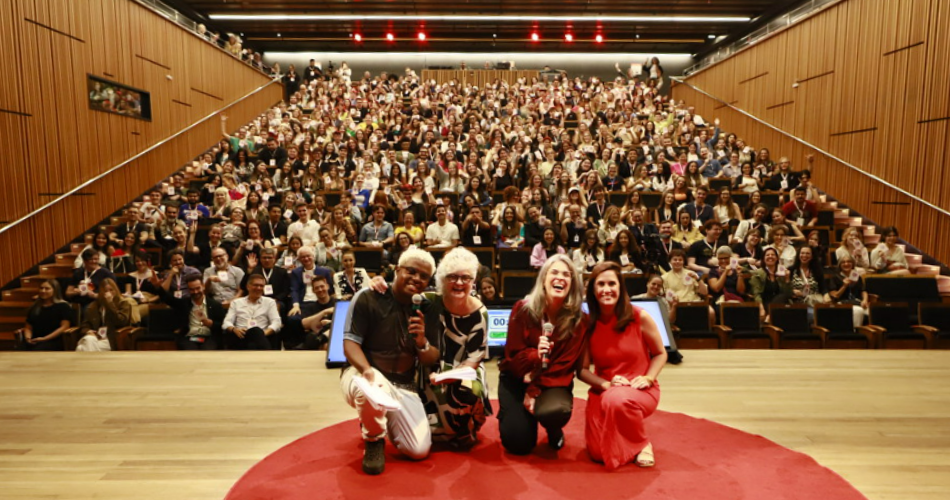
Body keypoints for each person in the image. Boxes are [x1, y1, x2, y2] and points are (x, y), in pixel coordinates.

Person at [340, 248, 441, 475]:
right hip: (362, 376)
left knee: (418, 450)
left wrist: (422, 342)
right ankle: (374, 439)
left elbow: (431, 357)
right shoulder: (368, 296)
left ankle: (376, 416)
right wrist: (366, 370)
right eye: (411, 271)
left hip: (403, 384)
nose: (417, 279)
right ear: (397, 270)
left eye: (424, 276)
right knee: (372, 389)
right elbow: (349, 343)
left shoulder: (427, 308)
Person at [578, 262, 667, 470]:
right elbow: (581, 371)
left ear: (620, 288)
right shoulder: (587, 323)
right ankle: (626, 435)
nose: (606, 289)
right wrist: (606, 384)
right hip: (604, 390)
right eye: (600, 284)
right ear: (593, 290)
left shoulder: (640, 316)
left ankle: (642, 442)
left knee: (617, 400)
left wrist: (648, 378)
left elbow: (660, 353)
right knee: (598, 452)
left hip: (640, 389)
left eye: (611, 284)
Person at [498, 254, 587, 455]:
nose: (560, 278)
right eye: (554, 272)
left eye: (567, 274)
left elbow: (564, 366)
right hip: (517, 378)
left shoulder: (578, 320)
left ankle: (553, 428)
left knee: (554, 411)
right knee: (518, 444)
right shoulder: (523, 310)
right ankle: (516, 416)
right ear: (544, 279)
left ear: (572, 283)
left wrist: (534, 390)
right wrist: (534, 356)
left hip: (552, 381)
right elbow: (512, 357)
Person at [152, 273, 226, 350]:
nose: (195, 292)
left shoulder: (215, 305)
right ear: (188, 289)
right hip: (190, 338)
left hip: (209, 338)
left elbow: (223, 325)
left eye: (198, 288)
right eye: (192, 289)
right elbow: (168, 299)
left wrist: (212, 324)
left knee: (207, 350)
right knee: (189, 351)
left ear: (203, 286)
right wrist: (158, 287)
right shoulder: (184, 303)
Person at [223, 274, 282, 350]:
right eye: (256, 285)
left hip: (263, 335)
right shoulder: (236, 303)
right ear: (248, 286)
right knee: (254, 333)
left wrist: (263, 334)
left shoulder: (270, 302)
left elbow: (277, 322)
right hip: (241, 336)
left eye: (261, 286)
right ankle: (268, 356)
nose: (259, 288)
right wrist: (234, 329)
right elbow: (226, 322)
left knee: (256, 331)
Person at [76, 278, 134, 352]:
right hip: (96, 338)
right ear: (100, 292)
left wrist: (110, 304)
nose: (108, 293)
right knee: (89, 339)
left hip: (111, 340)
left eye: (111, 290)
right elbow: (84, 326)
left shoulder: (123, 304)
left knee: (81, 348)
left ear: (116, 290)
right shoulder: (93, 306)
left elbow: (121, 321)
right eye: (105, 291)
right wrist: (88, 331)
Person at [16, 280, 71, 351]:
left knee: (37, 350)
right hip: (35, 339)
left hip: (53, 340)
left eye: (47, 289)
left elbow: (64, 327)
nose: (43, 291)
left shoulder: (63, 306)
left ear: (55, 290)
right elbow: (28, 327)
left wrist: (44, 339)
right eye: (41, 288)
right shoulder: (35, 306)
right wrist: (28, 338)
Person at [827, 254, 870, 328]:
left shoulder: (857, 277)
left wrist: (865, 300)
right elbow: (835, 296)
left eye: (849, 262)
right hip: (842, 302)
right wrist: (844, 285)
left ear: (852, 264)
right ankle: (855, 332)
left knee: (872, 312)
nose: (846, 264)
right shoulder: (835, 278)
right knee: (858, 311)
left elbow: (863, 290)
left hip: (857, 302)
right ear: (840, 265)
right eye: (843, 262)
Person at [298, 275, 336, 350]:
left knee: (326, 345)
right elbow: (304, 323)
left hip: (335, 337)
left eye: (322, 286)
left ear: (327, 286)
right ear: (313, 291)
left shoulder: (339, 303)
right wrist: (324, 312)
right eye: (316, 288)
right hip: (315, 339)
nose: (320, 289)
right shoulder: (310, 307)